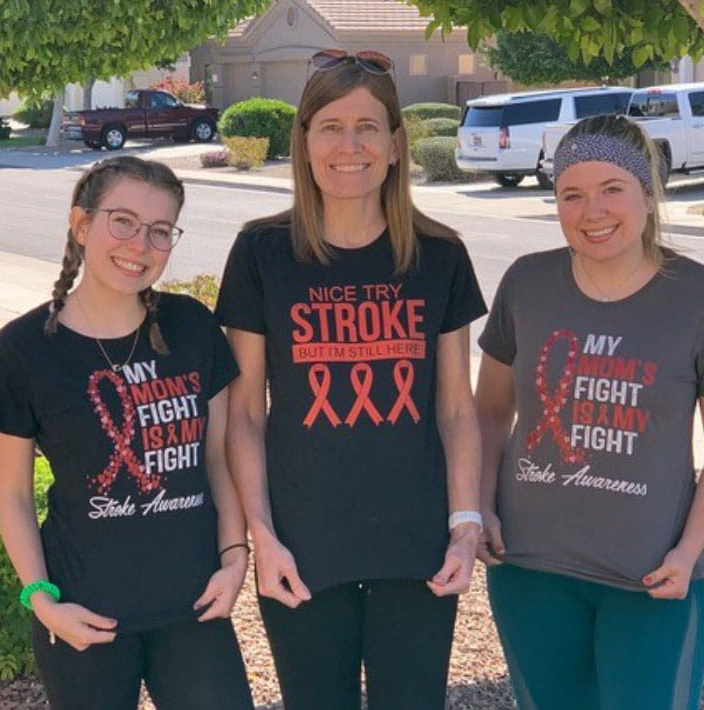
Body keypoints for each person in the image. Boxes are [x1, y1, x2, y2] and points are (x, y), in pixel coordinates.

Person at [215, 49, 486, 710]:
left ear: (396, 145)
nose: (349, 144)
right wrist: (261, 535)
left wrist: (465, 523)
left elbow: (455, 408)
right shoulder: (260, 252)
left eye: (368, 127)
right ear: (304, 142)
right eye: (330, 126)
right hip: (301, 543)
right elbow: (245, 413)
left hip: (416, 540)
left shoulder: (440, 255)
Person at [475, 114, 704, 710]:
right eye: (571, 194)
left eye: (611, 190)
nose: (591, 211)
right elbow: (489, 413)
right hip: (529, 570)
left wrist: (688, 550)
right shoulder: (527, 283)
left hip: (652, 581)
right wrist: (481, 504)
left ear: (647, 195)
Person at [0, 156, 254, 710]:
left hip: (193, 605)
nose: (140, 245)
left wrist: (234, 556)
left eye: (160, 231)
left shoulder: (192, 326)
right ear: (81, 225)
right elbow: (11, 493)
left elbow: (219, 457)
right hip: (85, 611)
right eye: (122, 221)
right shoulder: (24, 348)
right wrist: (42, 598)